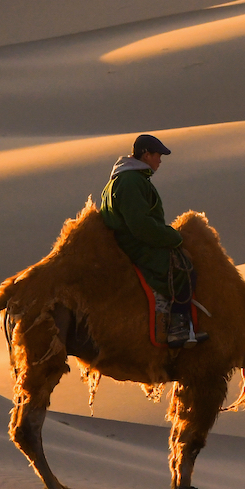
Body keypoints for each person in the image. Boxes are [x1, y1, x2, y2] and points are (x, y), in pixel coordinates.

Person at [97, 134, 204, 346]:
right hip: (136, 245)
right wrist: (174, 237)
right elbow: (141, 226)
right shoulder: (130, 181)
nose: (160, 160)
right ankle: (178, 329)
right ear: (146, 155)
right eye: (158, 155)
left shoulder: (126, 178)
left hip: (132, 240)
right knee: (183, 269)